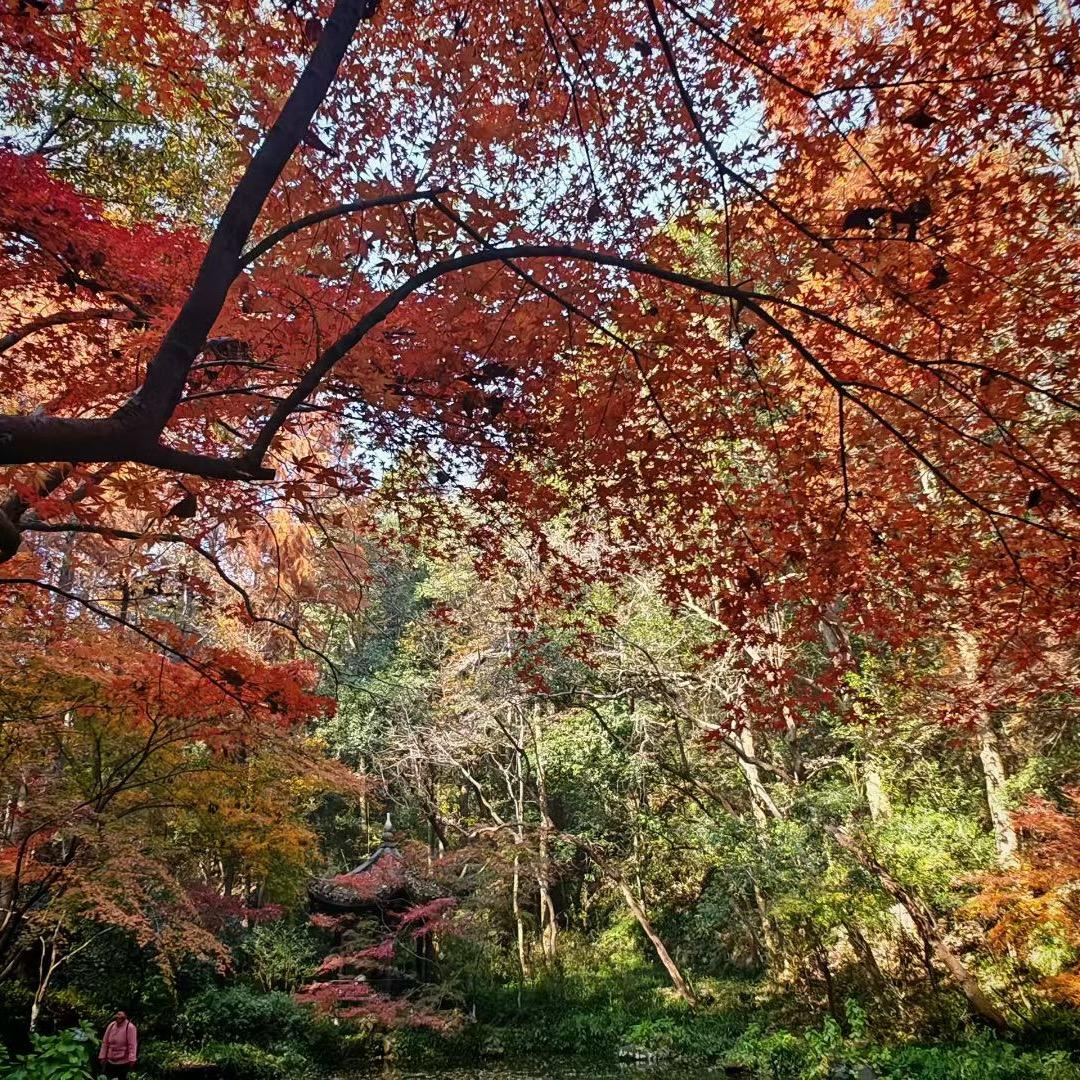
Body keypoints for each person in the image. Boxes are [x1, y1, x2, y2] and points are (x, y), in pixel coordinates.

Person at [98, 1010, 137, 1078]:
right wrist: (102, 1056)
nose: (118, 1019)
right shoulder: (111, 1025)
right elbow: (105, 1042)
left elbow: (132, 1045)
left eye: (121, 1017)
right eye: (117, 1017)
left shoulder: (130, 1027)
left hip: (123, 1062)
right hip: (110, 1060)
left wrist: (132, 1059)